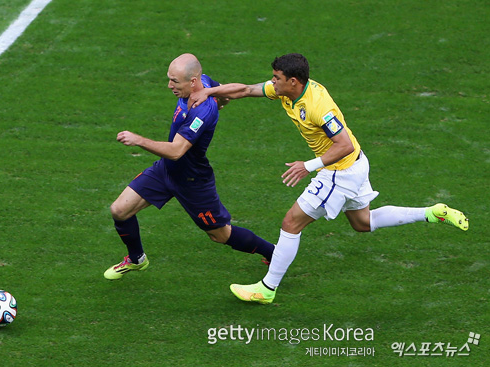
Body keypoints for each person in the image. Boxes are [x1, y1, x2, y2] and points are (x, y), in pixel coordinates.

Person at [190, 53, 469, 304]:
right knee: (363, 222)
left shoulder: (317, 106)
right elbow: (247, 89)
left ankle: (267, 288)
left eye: (277, 78)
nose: (273, 83)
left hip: (341, 170)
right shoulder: (287, 91)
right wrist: (210, 92)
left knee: (291, 222)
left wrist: (307, 166)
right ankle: (432, 213)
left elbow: (343, 144)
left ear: (294, 81)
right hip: (356, 165)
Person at [104, 53, 274, 281]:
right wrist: (222, 99)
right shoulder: (205, 82)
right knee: (119, 210)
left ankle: (274, 252)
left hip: (192, 181)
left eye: (175, 81)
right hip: (166, 171)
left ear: (193, 81)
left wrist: (138, 140)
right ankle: (136, 259)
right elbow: (226, 92)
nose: (169, 86)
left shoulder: (202, 111)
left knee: (220, 235)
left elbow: (176, 151)